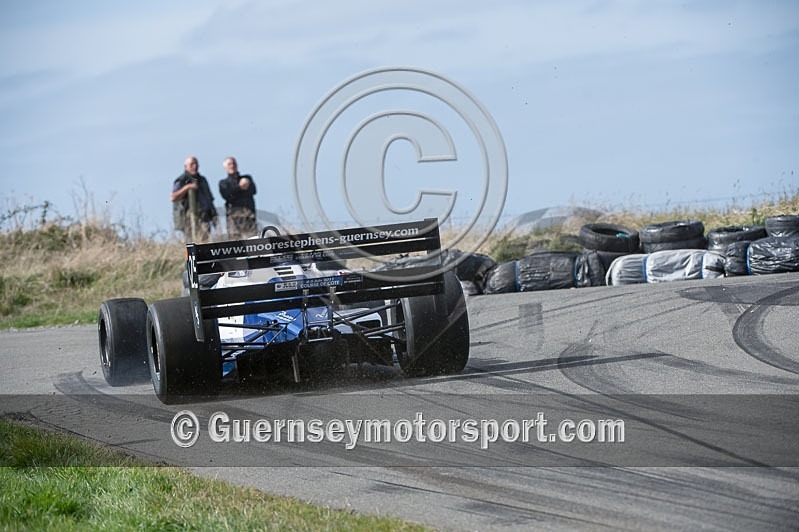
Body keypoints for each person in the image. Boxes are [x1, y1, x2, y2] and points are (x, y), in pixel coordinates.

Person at [171, 156, 217, 242]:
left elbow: (209, 199)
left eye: (196, 164)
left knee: (205, 243)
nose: (194, 166)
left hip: (205, 217)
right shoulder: (182, 180)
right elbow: (173, 197)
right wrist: (187, 187)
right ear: (186, 167)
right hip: (189, 218)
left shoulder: (202, 180)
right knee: (192, 243)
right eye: (191, 164)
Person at [219, 156, 258, 239]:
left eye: (233, 163)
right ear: (225, 167)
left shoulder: (247, 178)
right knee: (236, 245)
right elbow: (227, 195)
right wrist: (240, 187)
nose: (232, 166)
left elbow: (253, 191)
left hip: (249, 216)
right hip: (233, 219)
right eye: (229, 164)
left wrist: (237, 190)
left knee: (253, 242)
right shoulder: (223, 183)